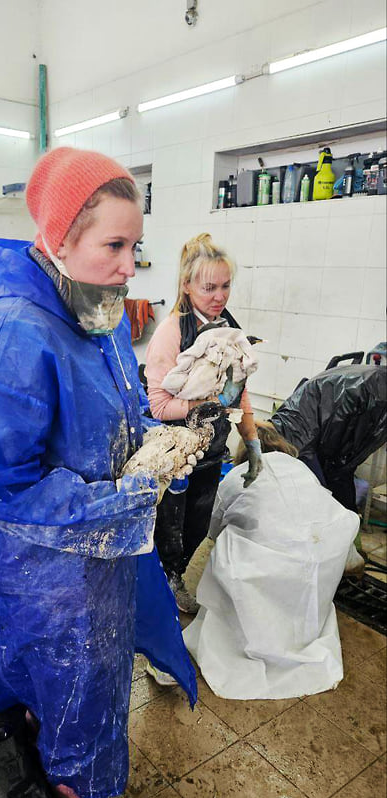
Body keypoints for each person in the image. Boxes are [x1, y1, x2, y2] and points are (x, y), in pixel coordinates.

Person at [0, 147, 197, 798]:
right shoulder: (14, 336)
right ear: (58, 238)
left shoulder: (98, 318)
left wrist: (161, 441)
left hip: (100, 566)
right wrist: (120, 497)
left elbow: (118, 418)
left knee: (89, 709)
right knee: (61, 717)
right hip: (47, 586)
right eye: (113, 246)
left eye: (133, 247)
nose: (128, 265)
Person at [183, 424, 360, 700]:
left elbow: (213, 529)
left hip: (272, 564)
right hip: (324, 552)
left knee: (228, 542)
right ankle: (294, 633)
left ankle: (251, 632)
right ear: (278, 443)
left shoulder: (239, 474)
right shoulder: (300, 467)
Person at [145, 233, 262, 613]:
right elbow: (160, 405)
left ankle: (176, 576)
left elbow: (238, 387)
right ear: (187, 285)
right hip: (178, 454)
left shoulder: (227, 326)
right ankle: (164, 589)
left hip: (212, 449)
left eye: (225, 286)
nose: (220, 296)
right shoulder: (172, 332)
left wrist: (253, 440)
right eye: (209, 287)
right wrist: (210, 401)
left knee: (198, 524)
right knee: (170, 530)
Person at [270, 363, 387, 512]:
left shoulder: (377, 379)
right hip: (302, 432)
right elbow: (348, 455)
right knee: (321, 488)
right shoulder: (378, 397)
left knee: (331, 480)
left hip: (302, 417)